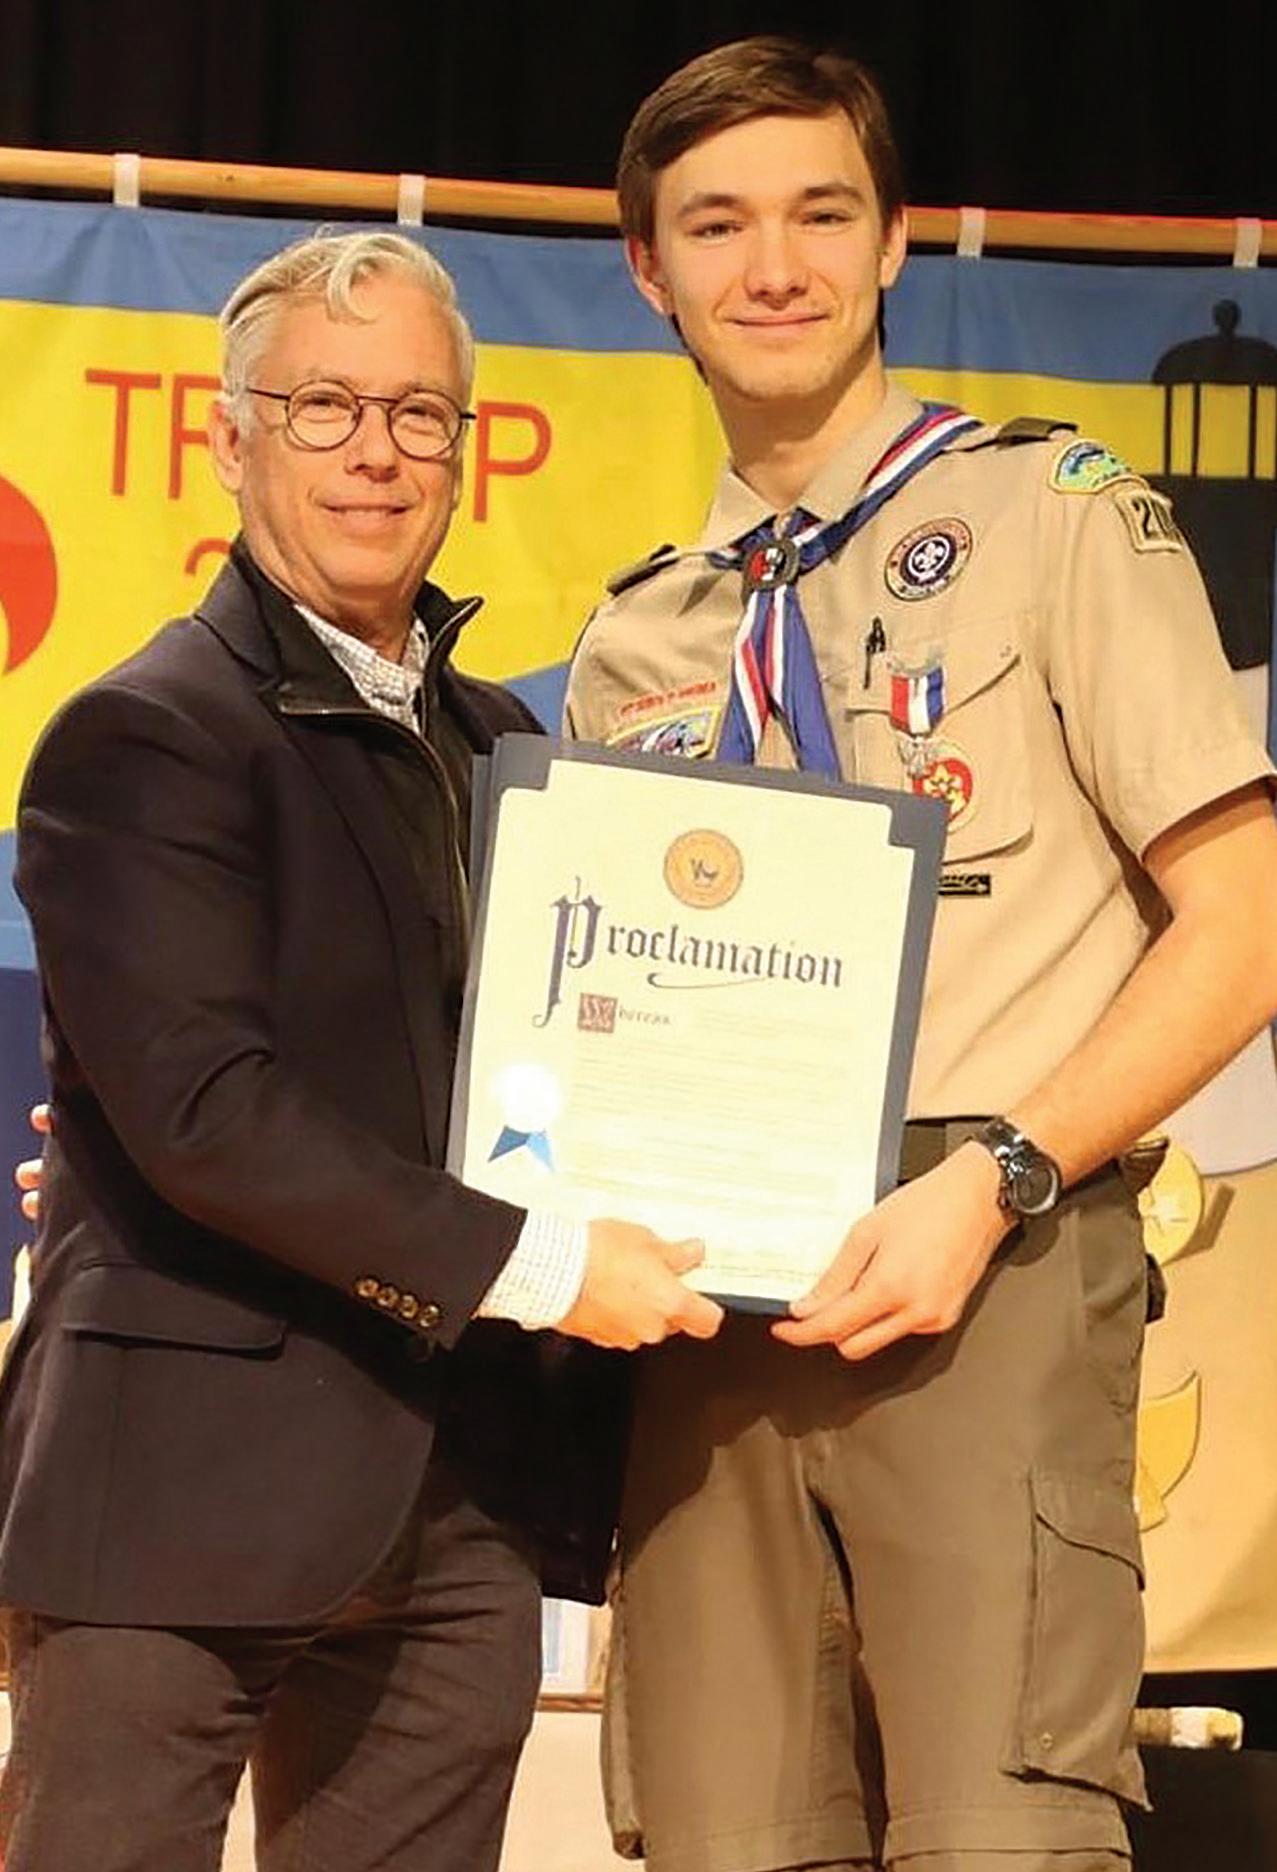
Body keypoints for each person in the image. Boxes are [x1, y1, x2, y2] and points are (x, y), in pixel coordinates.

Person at [564, 36, 1277, 1872]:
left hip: (990, 1254)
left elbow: (1246, 920)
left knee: (996, 1840)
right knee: (723, 1843)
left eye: (820, 214)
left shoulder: (1055, 518)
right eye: (716, 225)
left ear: (891, 243)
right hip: (704, 1316)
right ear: (646, 268)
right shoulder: (640, 639)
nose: (772, 265)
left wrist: (999, 1179)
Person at [0, 228, 721, 1872]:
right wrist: (550, 1268)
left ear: (464, 449)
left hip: (459, 1488)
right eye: (322, 407)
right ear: (229, 436)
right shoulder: (146, 732)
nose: (374, 452)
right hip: (174, 1487)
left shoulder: (507, 748)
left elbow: (572, 1064)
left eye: (416, 413)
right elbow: (203, 1111)